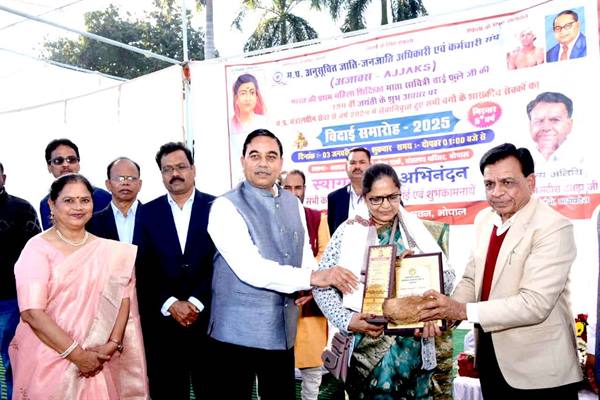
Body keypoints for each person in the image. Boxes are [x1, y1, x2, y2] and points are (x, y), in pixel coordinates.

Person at [418, 143, 582, 399]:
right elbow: (472, 279)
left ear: (530, 182)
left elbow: (535, 303)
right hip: (491, 363)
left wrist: (461, 310)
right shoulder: (484, 219)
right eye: (489, 184)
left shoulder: (553, 227)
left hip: (539, 372)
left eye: (507, 182)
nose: (496, 192)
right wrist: (446, 315)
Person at [207, 129, 359, 400]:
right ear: (243, 160)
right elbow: (251, 269)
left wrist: (309, 282)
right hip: (235, 333)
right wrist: (313, 278)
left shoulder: (293, 203)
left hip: (281, 331)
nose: (263, 163)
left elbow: (303, 251)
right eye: (255, 156)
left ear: (280, 163)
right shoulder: (224, 206)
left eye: (271, 156)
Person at [313, 163, 454, 399]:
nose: (386, 205)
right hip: (366, 348)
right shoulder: (348, 233)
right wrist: (347, 320)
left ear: (400, 193)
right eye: (376, 199)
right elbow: (322, 287)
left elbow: (447, 280)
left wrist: (413, 269)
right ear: (364, 198)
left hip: (415, 349)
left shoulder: (417, 232)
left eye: (392, 197)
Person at [9, 173, 148, 399]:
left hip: (99, 355)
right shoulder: (37, 248)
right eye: (69, 200)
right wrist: (78, 356)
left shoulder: (110, 250)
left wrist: (111, 344)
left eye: (85, 200)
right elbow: (32, 313)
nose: (78, 207)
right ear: (52, 205)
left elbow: (123, 298)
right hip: (49, 356)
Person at [135, 142, 216, 399]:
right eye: (167, 169)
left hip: (209, 321)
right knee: (167, 390)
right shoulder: (147, 212)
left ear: (193, 169)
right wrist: (170, 303)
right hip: (163, 324)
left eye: (181, 166)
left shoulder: (217, 207)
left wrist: (196, 301)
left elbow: (222, 262)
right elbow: (142, 266)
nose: (175, 174)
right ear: (161, 174)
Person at [282, 169, 330, 400]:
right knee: (273, 367)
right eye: (287, 188)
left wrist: (306, 277)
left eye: (297, 187)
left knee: (312, 365)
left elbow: (325, 255)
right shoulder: (269, 218)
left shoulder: (317, 217)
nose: (293, 193)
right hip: (279, 302)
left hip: (310, 300)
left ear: (305, 190)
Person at [0, 161, 41, 399]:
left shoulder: (21, 209)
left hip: (11, 300)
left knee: (11, 360)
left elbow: (35, 257)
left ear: (3, 178)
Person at [40, 138, 111, 229]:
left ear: (78, 164)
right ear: (49, 167)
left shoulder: (103, 197)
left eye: (71, 159)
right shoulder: (45, 204)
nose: (65, 165)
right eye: (58, 161)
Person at [87, 157, 143, 243]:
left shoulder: (155, 218)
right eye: (119, 178)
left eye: (131, 178)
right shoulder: (91, 223)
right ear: (108, 184)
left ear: (140, 184)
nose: (125, 183)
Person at [327, 147, 372, 235]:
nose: (357, 166)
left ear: (370, 165)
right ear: (346, 167)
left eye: (362, 162)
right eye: (352, 163)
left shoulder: (382, 194)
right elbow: (333, 233)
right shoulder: (335, 198)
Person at [526, 91, 574, 162]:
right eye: (539, 121)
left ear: (569, 125)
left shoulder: (585, 158)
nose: (546, 128)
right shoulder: (522, 160)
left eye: (555, 120)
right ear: (530, 126)